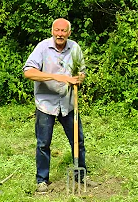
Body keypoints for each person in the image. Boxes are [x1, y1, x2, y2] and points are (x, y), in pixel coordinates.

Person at [22, 18, 98, 193]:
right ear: (52, 31)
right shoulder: (42, 48)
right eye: (57, 30)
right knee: (43, 144)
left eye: (64, 31)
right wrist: (59, 77)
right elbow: (29, 72)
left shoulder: (75, 48)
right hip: (46, 104)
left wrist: (80, 78)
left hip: (68, 103)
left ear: (69, 33)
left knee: (78, 141)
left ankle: (81, 175)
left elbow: (82, 72)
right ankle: (42, 180)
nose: (60, 34)